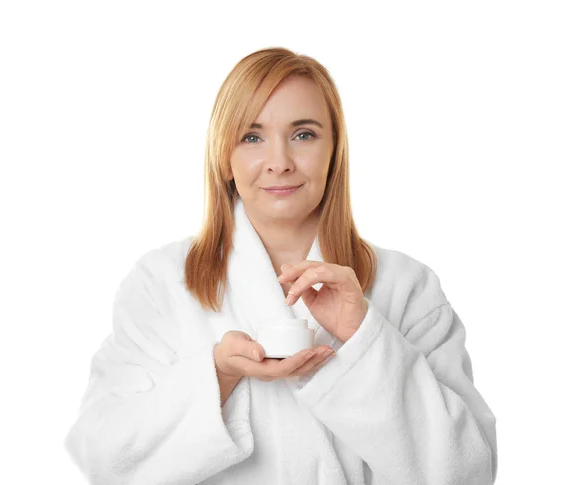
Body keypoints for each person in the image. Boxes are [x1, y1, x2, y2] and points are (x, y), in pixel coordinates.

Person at [63, 47, 498, 485]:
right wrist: (218, 374)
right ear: (224, 156)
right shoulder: (161, 284)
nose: (279, 162)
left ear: (335, 151)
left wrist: (365, 337)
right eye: (252, 137)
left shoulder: (407, 287)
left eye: (303, 134)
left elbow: (467, 472)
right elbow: (105, 458)